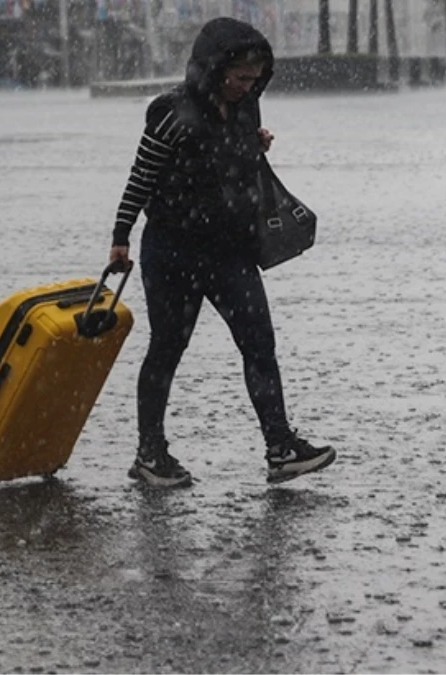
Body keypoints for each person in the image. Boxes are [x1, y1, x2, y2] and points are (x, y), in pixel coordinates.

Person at [109, 17, 336, 488]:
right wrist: (120, 238)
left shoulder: (247, 108)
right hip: (172, 250)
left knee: (259, 345)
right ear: (212, 69)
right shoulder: (170, 114)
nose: (246, 87)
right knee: (167, 349)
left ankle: (280, 447)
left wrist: (254, 145)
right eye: (238, 78)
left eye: (255, 80)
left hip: (229, 250)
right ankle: (150, 453)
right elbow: (141, 177)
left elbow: (231, 165)